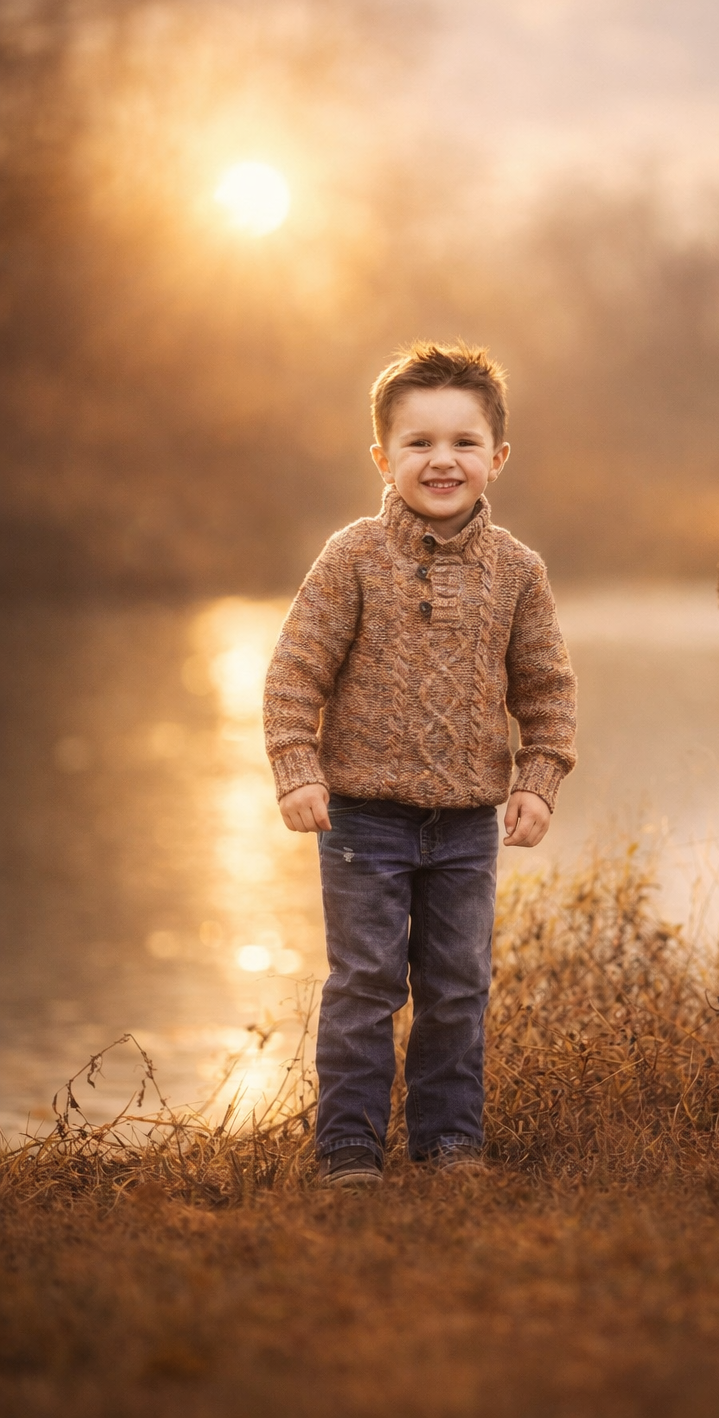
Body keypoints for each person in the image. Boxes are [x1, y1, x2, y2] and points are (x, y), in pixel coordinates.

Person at [263, 342, 577, 1188]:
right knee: (364, 984)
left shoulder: (518, 573)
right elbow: (296, 672)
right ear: (383, 456)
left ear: (497, 458)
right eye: (419, 442)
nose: (443, 460)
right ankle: (349, 1152)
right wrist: (298, 769)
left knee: (458, 988)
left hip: (469, 825)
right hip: (363, 817)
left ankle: (447, 1147)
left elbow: (546, 689)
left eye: (464, 442)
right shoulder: (354, 558)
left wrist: (538, 781)